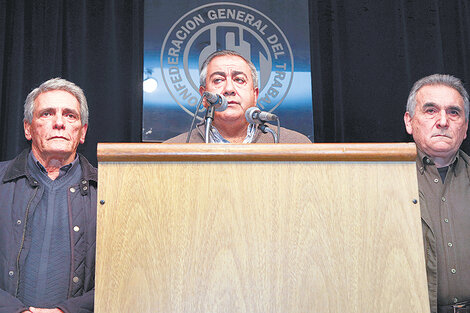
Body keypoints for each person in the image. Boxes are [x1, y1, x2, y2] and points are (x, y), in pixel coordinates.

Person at [0, 78, 96, 313]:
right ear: (28, 128)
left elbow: (124, 275)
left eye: (70, 115)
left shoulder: (108, 192)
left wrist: (67, 310)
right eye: (47, 114)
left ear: (82, 132)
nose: (60, 123)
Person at [404, 74, 470, 313]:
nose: (443, 121)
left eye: (454, 112)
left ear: (465, 128)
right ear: (409, 122)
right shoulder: (385, 184)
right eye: (431, 110)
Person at [165, 50, 311, 143]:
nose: (229, 89)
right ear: (204, 97)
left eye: (239, 80)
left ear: (255, 95)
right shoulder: (174, 149)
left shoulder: (293, 143)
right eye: (218, 80)